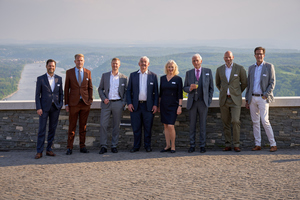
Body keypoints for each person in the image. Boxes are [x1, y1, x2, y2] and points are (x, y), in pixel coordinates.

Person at [245, 47, 277, 152]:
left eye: (261, 54)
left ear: (264, 55)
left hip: (263, 98)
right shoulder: (251, 68)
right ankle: (257, 144)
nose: (259, 56)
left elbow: (272, 83)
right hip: (252, 98)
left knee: (265, 121)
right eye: (257, 54)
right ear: (254, 55)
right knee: (255, 122)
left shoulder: (269, 66)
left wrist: (266, 95)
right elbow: (248, 85)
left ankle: (273, 144)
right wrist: (247, 100)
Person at [215, 51, 247, 152]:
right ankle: (228, 144)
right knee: (226, 123)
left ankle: (236, 144)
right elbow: (217, 83)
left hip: (235, 100)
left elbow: (244, 83)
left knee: (235, 121)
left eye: (229, 57)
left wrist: (236, 93)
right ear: (224, 58)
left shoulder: (240, 68)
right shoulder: (219, 69)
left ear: (233, 57)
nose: (228, 59)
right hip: (224, 99)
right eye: (226, 57)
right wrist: (224, 91)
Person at [126, 56, 159, 152]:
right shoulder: (133, 75)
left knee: (148, 128)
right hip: (135, 106)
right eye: (142, 62)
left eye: (145, 62)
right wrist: (129, 103)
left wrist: (155, 104)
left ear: (148, 64)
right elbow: (128, 91)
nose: (143, 64)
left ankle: (147, 146)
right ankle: (136, 146)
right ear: (139, 64)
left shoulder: (153, 76)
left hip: (148, 106)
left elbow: (156, 93)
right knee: (136, 128)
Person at [183, 54, 214, 153]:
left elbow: (211, 88)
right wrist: (190, 88)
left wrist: (208, 101)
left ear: (201, 61)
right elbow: (185, 88)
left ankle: (202, 146)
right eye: (193, 61)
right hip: (192, 102)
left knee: (202, 125)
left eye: (197, 60)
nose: (195, 62)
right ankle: (192, 145)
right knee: (192, 125)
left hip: (203, 103)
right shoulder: (189, 73)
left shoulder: (208, 72)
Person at [64, 54, 93, 155]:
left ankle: (82, 146)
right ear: (74, 61)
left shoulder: (88, 72)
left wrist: (90, 101)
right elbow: (66, 88)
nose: (79, 62)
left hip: (85, 103)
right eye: (78, 60)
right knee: (72, 126)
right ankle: (69, 147)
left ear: (83, 61)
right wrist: (66, 104)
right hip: (73, 104)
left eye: (81, 60)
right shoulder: (69, 72)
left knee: (83, 126)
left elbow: (90, 88)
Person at [34, 59, 63, 159]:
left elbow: (60, 93)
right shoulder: (40, 79)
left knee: (52, 129)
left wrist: (60, 105)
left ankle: (49, 150)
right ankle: (39, 151)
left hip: (55, 108)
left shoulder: (59, 79)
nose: (51, 67)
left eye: (53, 66)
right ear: (46, 66)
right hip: (43, 108)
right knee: (42, 129)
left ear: (55, 67)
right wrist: (38, 107)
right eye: (49, 66)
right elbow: (37, 95)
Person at [98, 58, 128, 154]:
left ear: (119, 65)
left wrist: (123, 103)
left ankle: (114, 145)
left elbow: (127, 92)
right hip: (107, 103)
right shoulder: (105, 76)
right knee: (103, 124)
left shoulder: (124, 78)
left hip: (118, 103)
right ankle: (103, 145)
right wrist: (104, 98)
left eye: (116, 64)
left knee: (116, 125)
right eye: (113, 63)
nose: (115, 65)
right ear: (111, 64)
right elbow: (100, 89)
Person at [159, 60, 183, 153]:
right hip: (164, 105)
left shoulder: (178, 79)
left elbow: (180, 94)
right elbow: (160, 94)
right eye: (169, 67)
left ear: (175, 68)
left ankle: (173, 146)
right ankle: (167, 145)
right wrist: (159, 105)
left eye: (172, 67)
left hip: (173, 105)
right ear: (166, 68)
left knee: (170, 125)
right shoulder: (162, 78)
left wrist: (179, 106)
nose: (170, 69)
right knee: (165, 126)